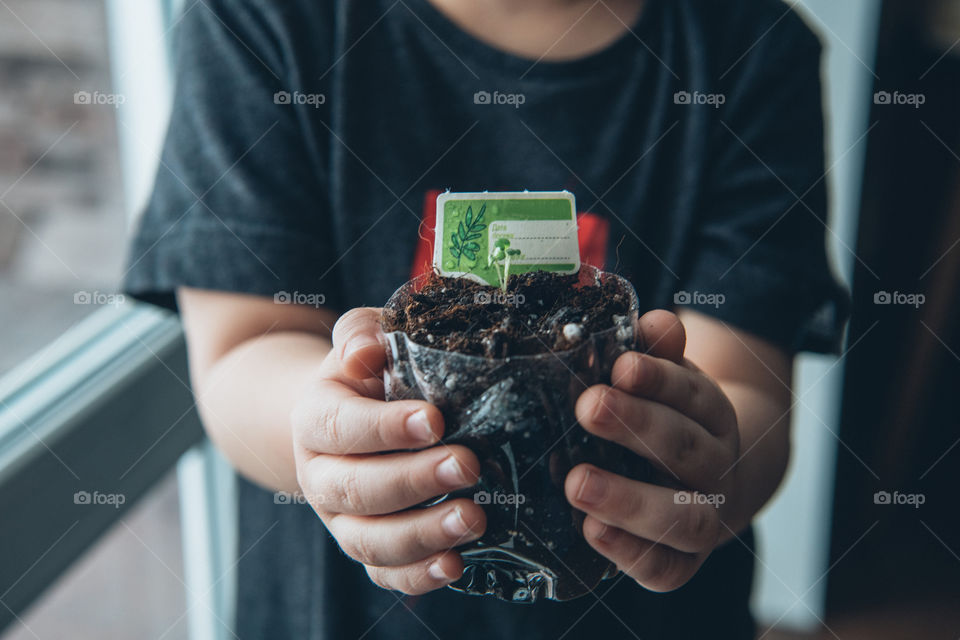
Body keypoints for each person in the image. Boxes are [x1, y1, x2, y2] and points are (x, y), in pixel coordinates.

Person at [124, 0, 849, 637]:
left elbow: (747, 386)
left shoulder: (752, 51)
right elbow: (247, 345)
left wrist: (708, 473)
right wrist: (329, 434)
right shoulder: (261, 20)